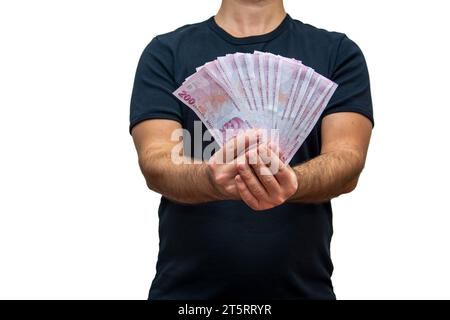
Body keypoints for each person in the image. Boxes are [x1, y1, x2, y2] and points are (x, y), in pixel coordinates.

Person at [130, 0, 373, 300]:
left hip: (303, 292)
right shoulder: (166, 53)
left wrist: (291, 183)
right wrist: (210, 179)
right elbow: (155, 162)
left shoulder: (338, 53)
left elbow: (348, 159)